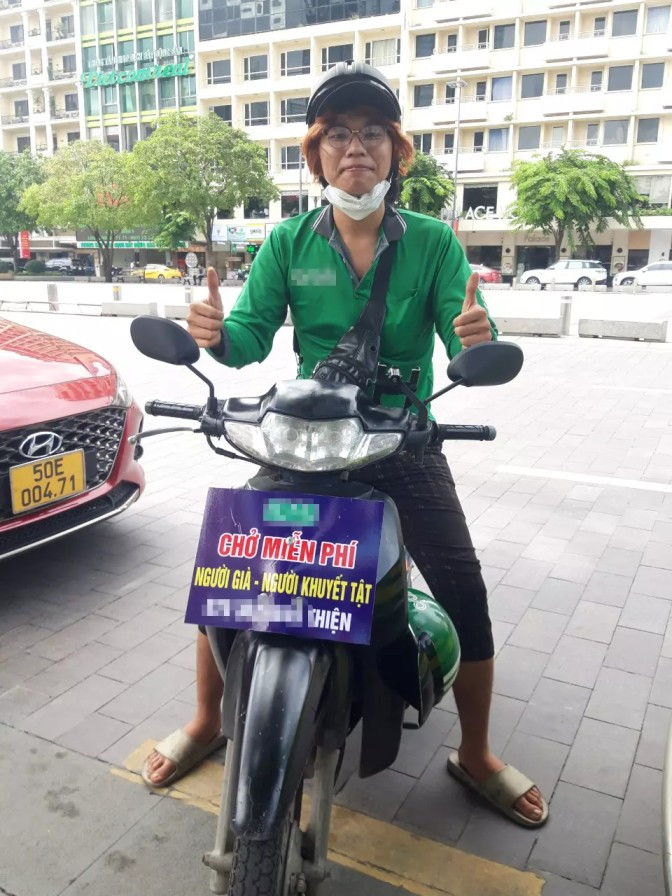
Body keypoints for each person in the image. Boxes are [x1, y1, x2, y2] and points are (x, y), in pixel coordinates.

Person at [142, 62, 548, 829]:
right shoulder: (289, 241)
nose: (354, 147)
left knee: (463, 590)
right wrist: (215, 335)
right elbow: (247, 339)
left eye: (371, 133)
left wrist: (476, 335)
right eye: (336, 134)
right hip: (305, 436)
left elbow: (465, 331)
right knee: (229, 570)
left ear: (396, 151)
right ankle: (205, 720)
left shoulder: (432, 242)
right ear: (316, 154)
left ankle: (477, 752)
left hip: (402, 437)